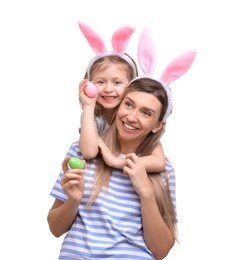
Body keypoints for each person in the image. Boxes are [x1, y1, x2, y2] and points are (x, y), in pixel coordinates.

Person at [47, 28, 196, 259]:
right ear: (119, 102)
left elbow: (161, 251)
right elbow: (55, 229)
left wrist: (145, 192)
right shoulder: (84, 149)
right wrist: (73, 201)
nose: (131, 117)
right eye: (129, 105)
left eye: (146, 113)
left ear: (158, 125)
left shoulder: (159, 169)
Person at [77, 22, 167, 172]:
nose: (108, 89)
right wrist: (88, 105)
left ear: (131, 86)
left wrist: (119, 162)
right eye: (100, 82)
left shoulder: (134, 120)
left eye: (117, 82)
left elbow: (159, 162)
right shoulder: (93, 118)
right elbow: (89, 152)